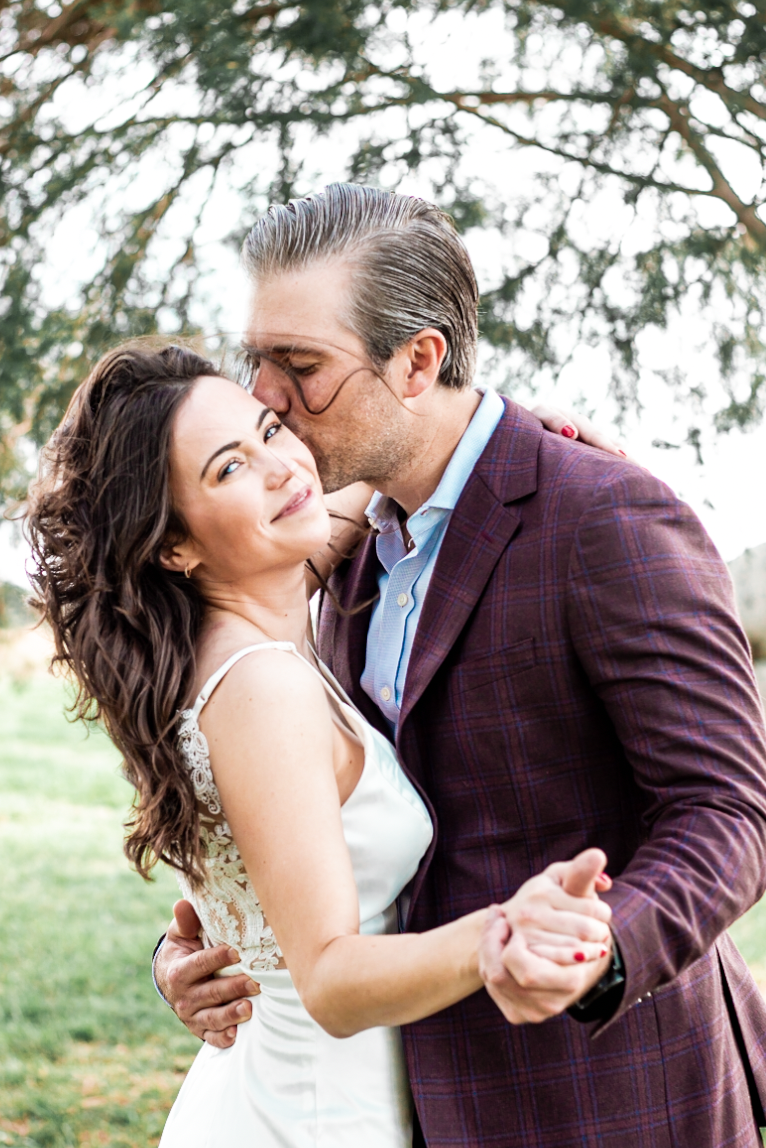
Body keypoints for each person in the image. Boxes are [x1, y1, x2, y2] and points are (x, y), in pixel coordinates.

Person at [157, 184, 766, 1147]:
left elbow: (728, 809)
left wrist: (599, 950)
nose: (265, 396)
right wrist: (207, 947)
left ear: (418, 361)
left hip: (605, 1097)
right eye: (257, 360)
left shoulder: (602, 514)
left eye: (300, 366)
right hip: (402, 1100)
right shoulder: (337, 541)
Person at [25, 343, 615, 1148]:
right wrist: (506, 930)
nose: (281, 467)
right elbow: (331, 979)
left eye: (270, 429)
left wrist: (493, 433)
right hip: (308, 1118)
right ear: (173, 547)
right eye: (229, 468)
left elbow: (356, 486)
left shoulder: (245, 624)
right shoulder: (262, 686)